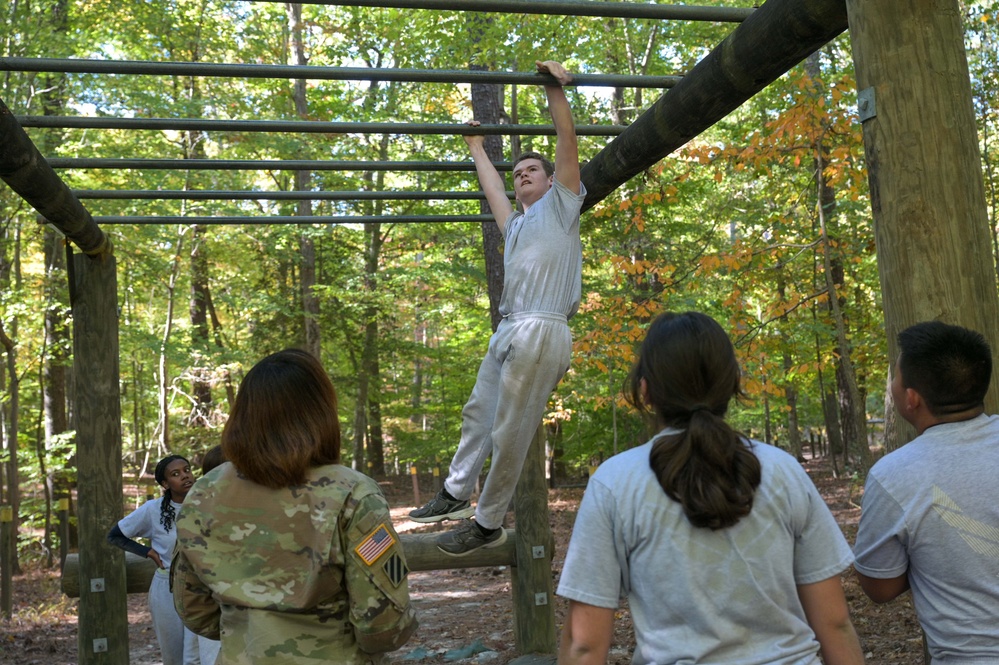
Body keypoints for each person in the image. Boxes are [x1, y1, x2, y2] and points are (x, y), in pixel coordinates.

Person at [556, 312, 865, 665]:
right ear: (735, 380)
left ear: (644, 390)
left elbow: (584, 646)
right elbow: (835, 624)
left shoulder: (614, 483)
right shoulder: (783, 472)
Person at [409, 59, 586, 557]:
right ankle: (454, 493)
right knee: (479, 412)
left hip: (543, 328)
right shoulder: (517, 227)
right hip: (510, 328)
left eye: (532, 169)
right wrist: (476, 148)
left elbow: (567, 142)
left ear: (553, 181)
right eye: (519, 172)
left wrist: (555, 90)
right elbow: (493, 191)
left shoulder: (561, 207)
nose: (523, 175)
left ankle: (486, 522)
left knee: (512, 428)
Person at [171, 349, 417, 665]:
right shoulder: (353, 494)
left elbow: (193, 609)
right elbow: (382, 624)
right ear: (320, 412)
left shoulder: (204, 491)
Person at [853, 321, 999, 662]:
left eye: (895, 377)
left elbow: (880, 586)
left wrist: (932, 557)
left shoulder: (893, 476)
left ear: (912, 398)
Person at [107, 454, 218, 665]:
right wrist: (148, 552)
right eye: (175, 474)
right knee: (174, 656)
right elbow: (115, 535)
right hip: (168, 587)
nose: (185, 476)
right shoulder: (153, 510)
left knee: (203, 656)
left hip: (205, 589)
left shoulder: (209, 502)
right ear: (165, 484)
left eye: (186, 470)